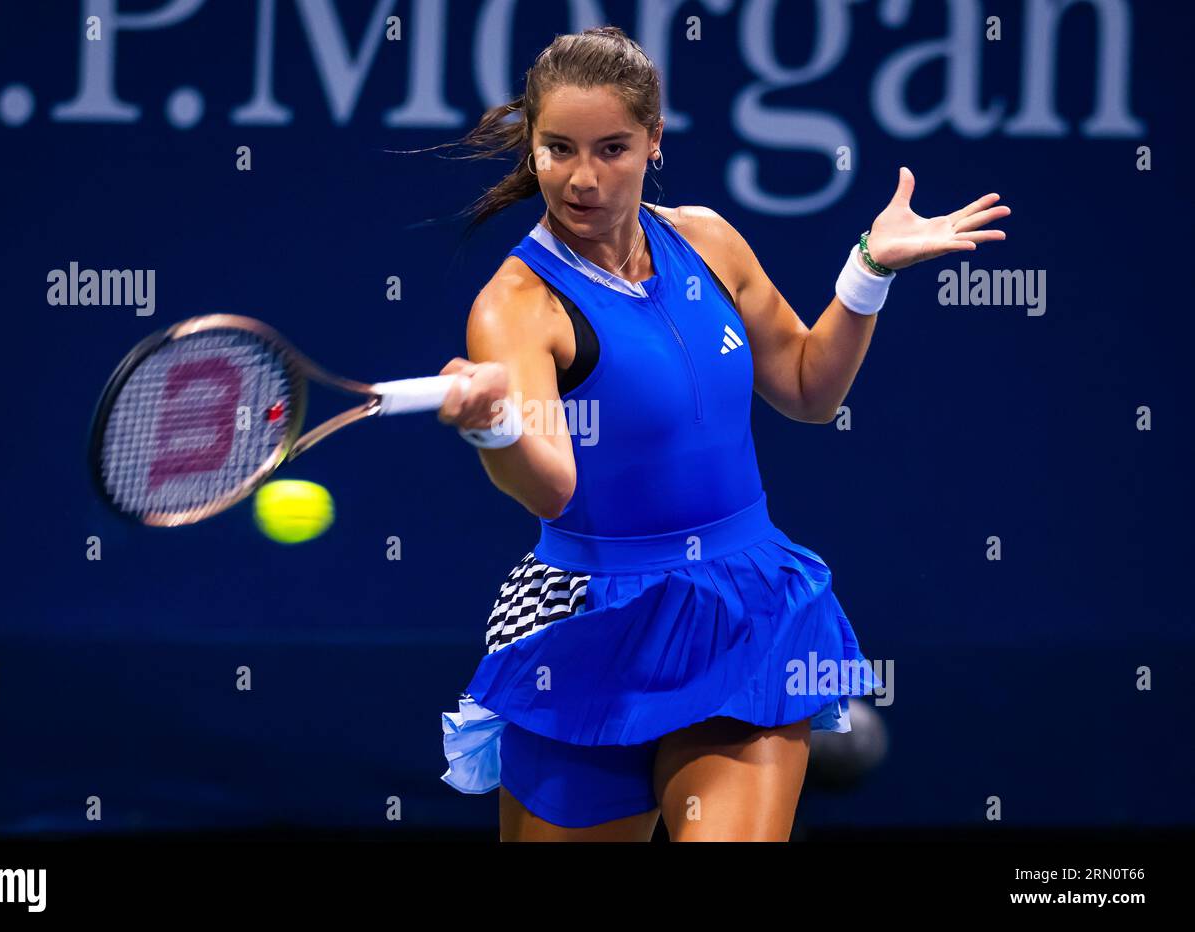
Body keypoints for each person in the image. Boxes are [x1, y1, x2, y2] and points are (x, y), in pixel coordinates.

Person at [429, 26, 1009, 842]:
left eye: (612, 149)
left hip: (746, 609)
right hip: (589, 626)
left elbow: (810, 388)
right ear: (532, 146)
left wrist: (868, 271)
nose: (582, 178)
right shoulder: (514, 306)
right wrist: (492, 429)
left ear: (654, 142)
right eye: (557, 148)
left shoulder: (707, 239)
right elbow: (552, 483)